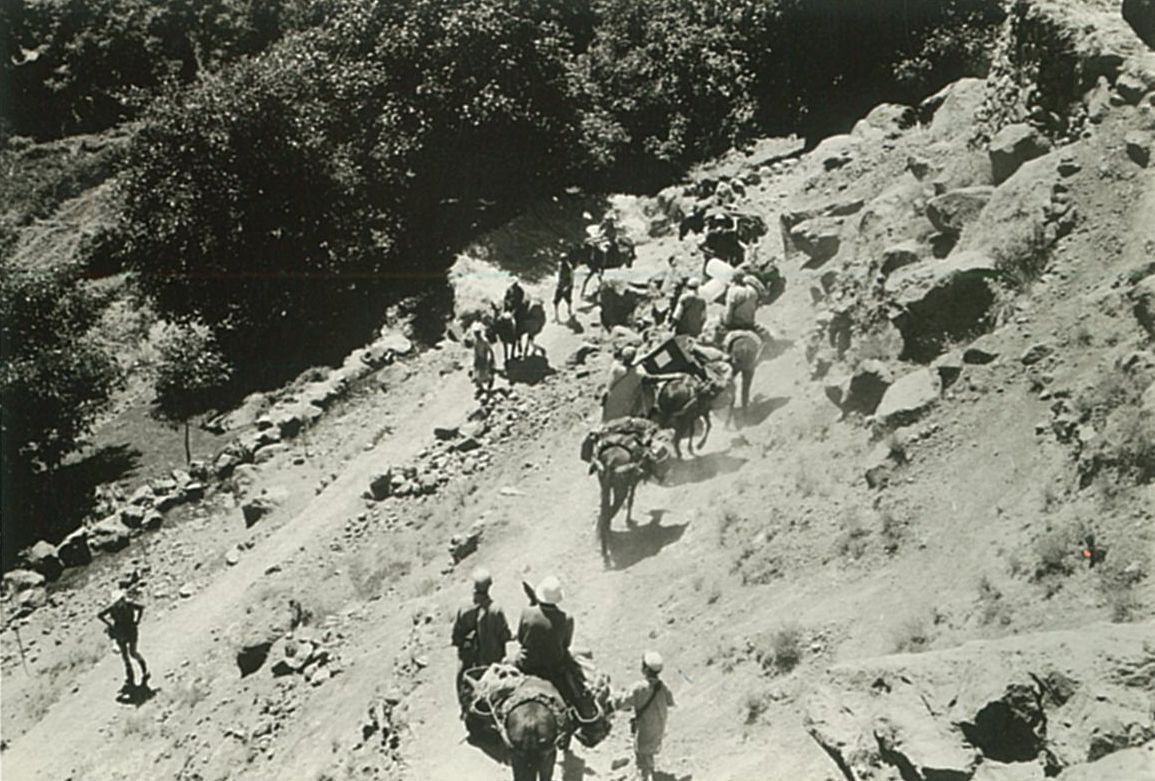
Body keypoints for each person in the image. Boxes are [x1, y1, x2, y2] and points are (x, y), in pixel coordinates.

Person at [451, 567, 512, 715]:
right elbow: (504, 635)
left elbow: (456, 637)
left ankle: (464, 709)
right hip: (492, 660)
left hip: (470, 660)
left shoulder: (463, 607)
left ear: (474, 587)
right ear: (489, 586)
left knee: (461, 677)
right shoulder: (496, 610)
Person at [515, 576, 577, 703]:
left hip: (527, 665)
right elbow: (566, 645)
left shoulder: (527, 612)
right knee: (577, 683)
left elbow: (521, 639)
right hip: (554, 667)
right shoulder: (567, 619)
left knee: (505, 664)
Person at [614, 651, 675, 781]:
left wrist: (614, 701)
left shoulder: (639, 688)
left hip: (645, 727)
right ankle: (649, 769)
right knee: (650, 750)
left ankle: (645, 776)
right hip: (659, 726)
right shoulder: (663, 686)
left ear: (646, 669)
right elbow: (670, 702)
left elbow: (623, 703)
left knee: (641, 755)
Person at [97, 589, 148, 691]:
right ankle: (142, 672)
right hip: (130, 630)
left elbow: (100, 615)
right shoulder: (129, 604)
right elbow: (141, 608)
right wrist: (137, 621)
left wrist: (110, 624)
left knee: (127, 654)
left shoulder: (113, 608)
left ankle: (132, 675)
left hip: (121, 632)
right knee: (132, 653)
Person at [602, 346, 647, 421]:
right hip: (620, 399)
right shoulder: (629, 373)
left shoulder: (615, 365)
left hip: (611, 396)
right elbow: (633, 370)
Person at [469, 322, 495, 397]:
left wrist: (492, 358)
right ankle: (481, 388)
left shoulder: (484, 341)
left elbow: (490, 350)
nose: (476, 335)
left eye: (477, 333)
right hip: (479, 359)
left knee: (485, 373)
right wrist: (475, 360)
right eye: (475, 334)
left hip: (484, 358)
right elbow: (475, 351)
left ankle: (490, 380)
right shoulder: (476, 342)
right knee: (478, 374)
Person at [554, 254, 574, 322]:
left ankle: (569, 309)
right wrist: (558, 283)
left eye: (563, 260)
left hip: (566, 285)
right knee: (556, 301)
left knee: (568, 300)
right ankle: (556, 316)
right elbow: (558, 275)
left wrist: (569, 286)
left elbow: (571, 277)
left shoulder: (569, 267)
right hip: (561, 285)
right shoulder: (560, 265)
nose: (562, 261)